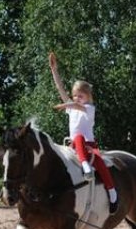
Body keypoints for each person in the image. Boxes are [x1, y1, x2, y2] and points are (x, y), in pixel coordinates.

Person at [49, 51, 118, 214]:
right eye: (75, 96)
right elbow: (60, 88)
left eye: (81, 96)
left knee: (100, 164)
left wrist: (64, 105)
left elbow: (76, 106)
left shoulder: (89, 108)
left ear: (88, 96)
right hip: (72, 146)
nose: (76, 98)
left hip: (88, 145)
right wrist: (54, 70)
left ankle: (112, 193)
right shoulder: (72, 107)